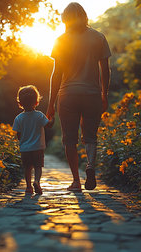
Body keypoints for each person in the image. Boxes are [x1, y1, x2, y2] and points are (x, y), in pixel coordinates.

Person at [46, 2, 111, 191]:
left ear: (65, 18)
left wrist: (50, 105)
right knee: (90, 137)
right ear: (84, 16)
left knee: (70, 139)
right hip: (92, 94)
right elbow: (105, 70)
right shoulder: (98, 37)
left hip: (68, 95)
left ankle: (76, 181)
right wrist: (103, 94)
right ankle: (90, 166)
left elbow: (56, 74)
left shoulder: (61, 40)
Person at [13, 85, 52, 194]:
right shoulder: (39, 115)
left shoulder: (18, 118)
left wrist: (23, 142)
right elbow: (48, 125)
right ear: (37, 102)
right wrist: (51, 119)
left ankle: (28, 187)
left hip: (25, 148)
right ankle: (37, 181)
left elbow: (18, 135)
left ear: (20, 103)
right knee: (38, 167)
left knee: (27, 168)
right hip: (38, 147)